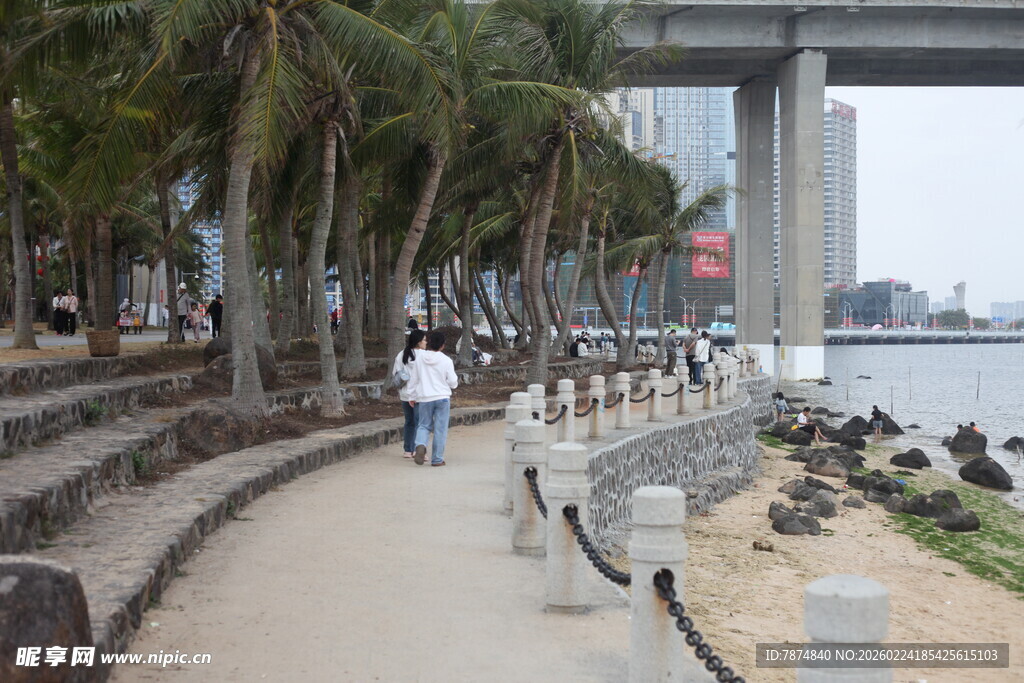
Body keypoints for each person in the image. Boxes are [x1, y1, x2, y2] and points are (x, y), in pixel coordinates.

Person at [407, 330, 459, 467]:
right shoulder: (446, 360)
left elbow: (413, 379)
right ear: (443, 345)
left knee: (423, 425)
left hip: (424, 397)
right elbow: (453, 382)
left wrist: (411, 396)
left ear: (429, 343)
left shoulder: (419, 359)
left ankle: (420, 445)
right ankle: (437, 459)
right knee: (440, 429)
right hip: (442, 397)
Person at [395, 329, 426, 458]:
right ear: (419, 342)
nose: (426, 342)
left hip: (405, 393)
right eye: (424, 340)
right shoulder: (424, 355)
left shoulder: (402, 354)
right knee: (421, 424)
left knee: (409, 422)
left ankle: (408, 450)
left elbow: (396, 373)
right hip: (419, 394)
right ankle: (420, 450)